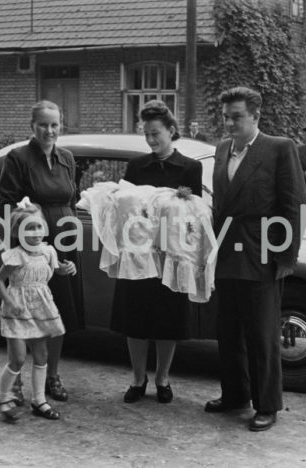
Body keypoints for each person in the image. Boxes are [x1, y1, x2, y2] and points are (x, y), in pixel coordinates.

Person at [204, 87, 306, 432]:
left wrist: (286, 256)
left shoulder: (278, 148)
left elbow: (294, 206)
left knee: (262, 335)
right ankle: (235, 394)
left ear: (256, 116)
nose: (230, 122)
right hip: (227, 253)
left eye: (237, 116)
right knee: (228, 331)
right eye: (226, 116)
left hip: (261, 255)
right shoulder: (221, 149)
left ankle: (267, 405)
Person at [110, 100, 203, 404]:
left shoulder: (190, 167)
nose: (151, 140)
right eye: (147, 134)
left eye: (156, 134)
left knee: (168, 318)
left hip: (170, 256)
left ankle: (163, 378)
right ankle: (138, 379)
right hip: (139, 254)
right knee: (135, 317)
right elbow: (127, 209)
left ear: (171, 131)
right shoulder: (137, 166)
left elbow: (194, 214)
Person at [0, 100, 83, 402]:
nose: (50, 130)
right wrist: (24, 245)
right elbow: (6, 206)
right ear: (32, 126)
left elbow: (73, 199)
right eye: (44, 124)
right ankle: (18, 382)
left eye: (55, 125)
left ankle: (52, 376)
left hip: (63, 243)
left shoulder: (67, 158)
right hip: (31, 246)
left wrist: (69, 239)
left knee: (56, 313)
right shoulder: (17, 158)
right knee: (26, 311)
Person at [0, 199, 77, 422]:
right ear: (17, 232)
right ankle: (3, 398)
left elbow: (57, 269)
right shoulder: (16, 256)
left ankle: (39, 400)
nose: (35, 233)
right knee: (18, 358)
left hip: (41, 308)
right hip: (18, 311)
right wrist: (10, 302)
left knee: (42, 356)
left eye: (38, 226)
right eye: (28, 228)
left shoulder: (48, 251)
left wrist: (66, 268)